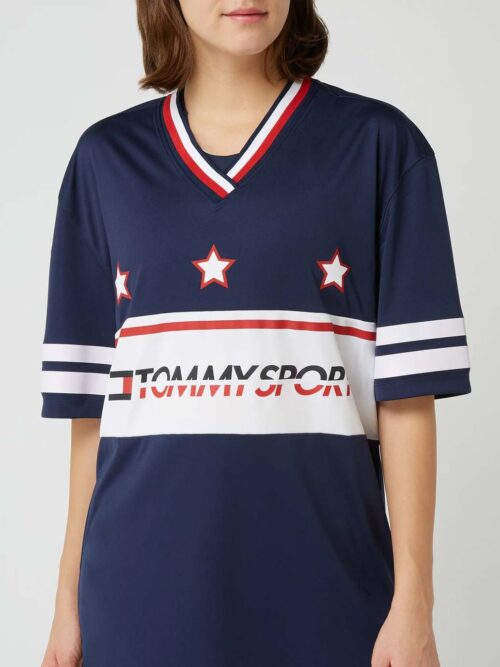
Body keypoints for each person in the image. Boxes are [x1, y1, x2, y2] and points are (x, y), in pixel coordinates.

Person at [40, 1, 471, 665]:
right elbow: (93, 417)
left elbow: (409, 397)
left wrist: (414, 602)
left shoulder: (381, 147)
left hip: (331, 597)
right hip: (135, 599)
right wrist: (66, 604)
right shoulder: (104, 162)